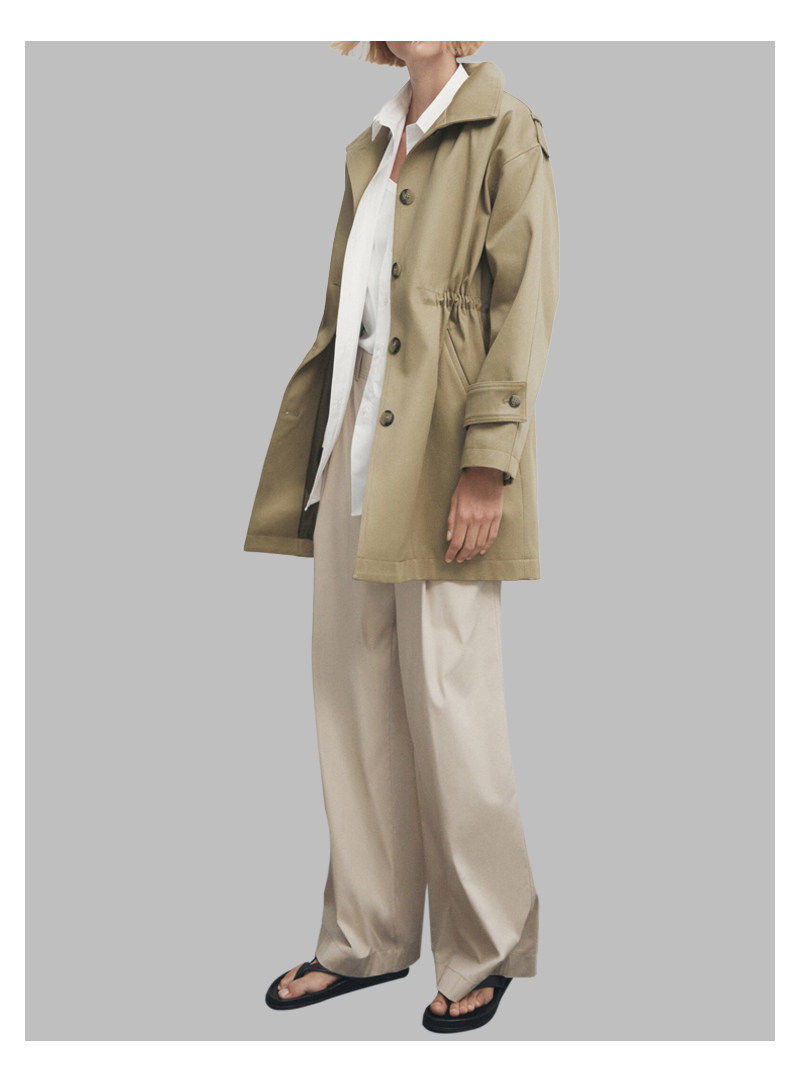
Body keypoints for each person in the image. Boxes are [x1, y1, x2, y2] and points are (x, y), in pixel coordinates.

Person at [247, 41, 560, 1033]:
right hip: (353, 445)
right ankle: (365, 937)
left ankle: (487, 943)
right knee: (353, 699)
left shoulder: (506, 131)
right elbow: (352, 313)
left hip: (440, 450)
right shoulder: (370, 143)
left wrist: (488, 461)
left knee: (449, 703)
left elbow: (524, 305)